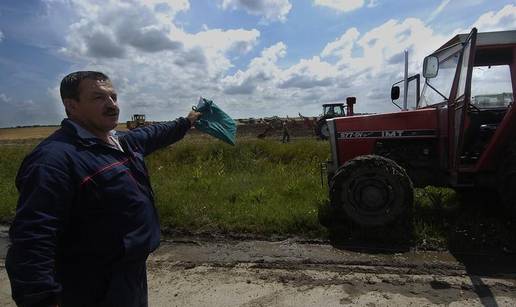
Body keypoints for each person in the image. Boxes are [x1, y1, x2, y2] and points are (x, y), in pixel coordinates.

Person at [5, 71, 201, 307]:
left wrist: (187, 121)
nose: (111, 105)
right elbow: (33, 237)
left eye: (113, 97)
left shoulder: (120, 142)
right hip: (92, 287)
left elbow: (155, 133)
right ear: (71, 105)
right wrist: (41, 299)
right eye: (98, 98)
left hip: (130, 276)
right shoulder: (54, 160)